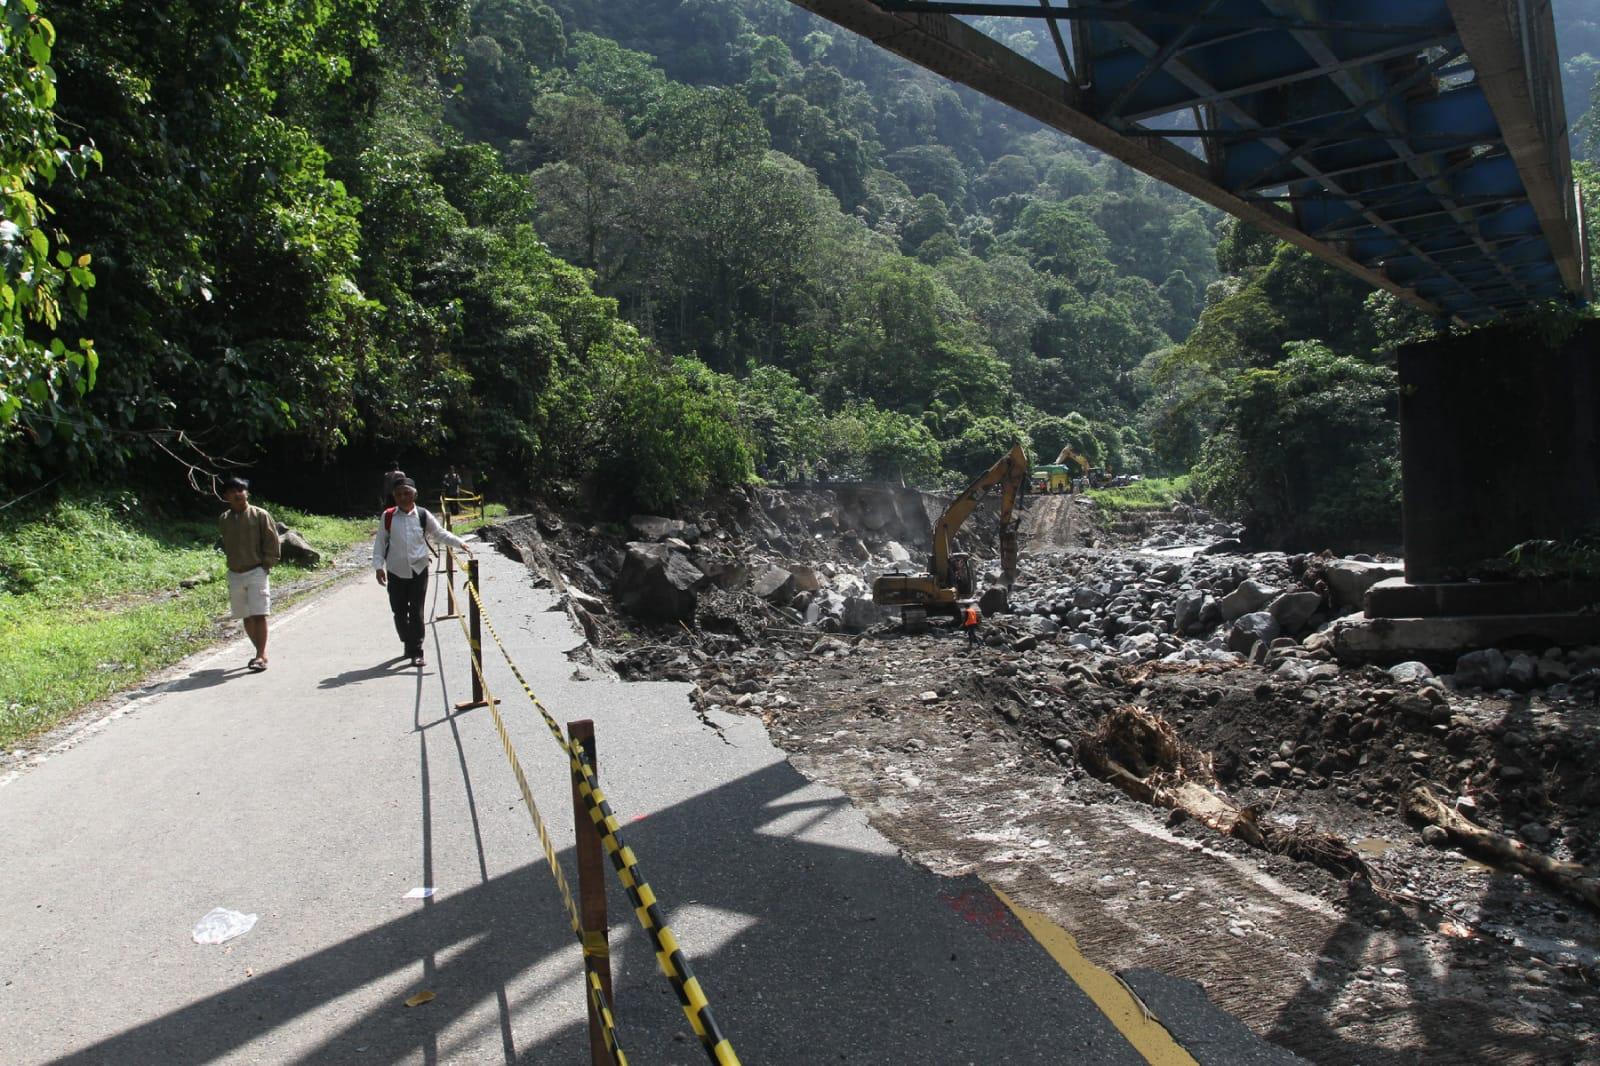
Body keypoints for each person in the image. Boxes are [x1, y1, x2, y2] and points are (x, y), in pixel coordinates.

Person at [374, 479, 472, 667]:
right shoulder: (388, 516)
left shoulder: (422, 515)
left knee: (416, 611)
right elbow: (380, 543)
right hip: (395, 571)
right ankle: (408, 641)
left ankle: (416, 651)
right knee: (399, 612)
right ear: (394, 496)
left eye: (406, 493)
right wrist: (378, 567)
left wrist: (460, 543)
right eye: (399, 494)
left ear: (415, 494)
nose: (403, 497)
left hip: (419, 569)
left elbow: (440, 533)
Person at [218, 476, 280, 672]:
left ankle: (261, 656)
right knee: (245, 615)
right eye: (232, 491)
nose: (238, 494)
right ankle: (260, 652)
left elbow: (272, 542)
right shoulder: (224, 519)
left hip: (256, 571)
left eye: (241, 490)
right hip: (235, 573)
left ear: (247, 493)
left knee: (259, 614)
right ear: (225, 496)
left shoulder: (260, 515)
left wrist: (265, 566)